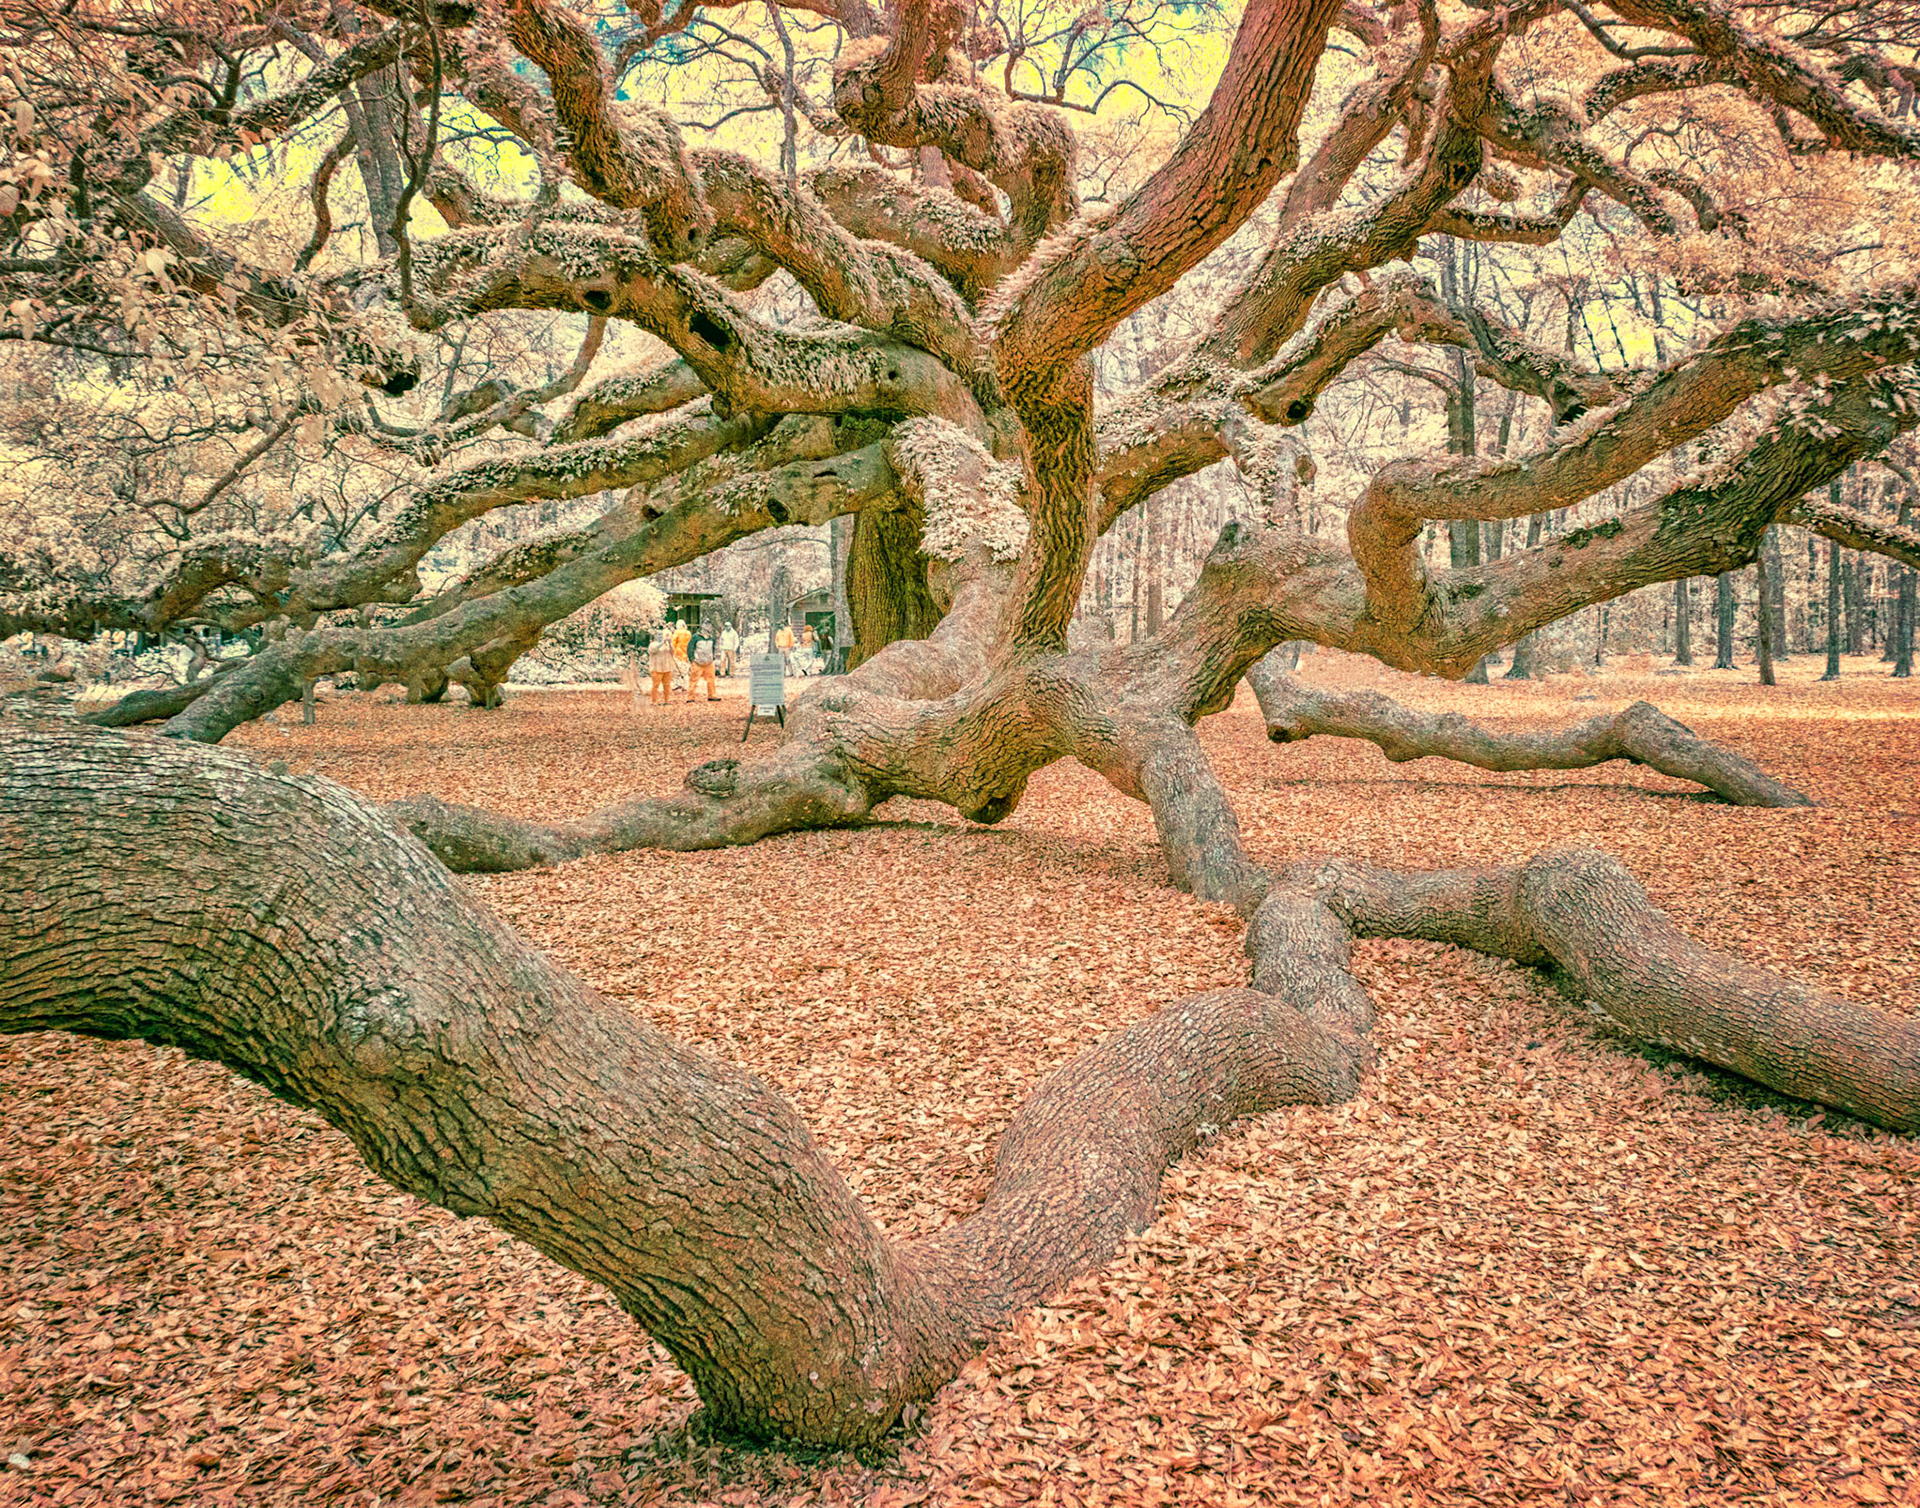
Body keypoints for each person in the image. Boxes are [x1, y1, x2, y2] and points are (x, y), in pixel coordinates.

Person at [646, 626, 675, 705]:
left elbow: (672, 652)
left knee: (667, 685)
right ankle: (654, 701)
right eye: (658, 635)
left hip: (667, 667)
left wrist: (669, 643)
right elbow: (654, 650)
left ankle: (666, 700)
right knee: (655, 685)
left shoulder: (667, 644)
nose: (659, 636)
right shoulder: (652, 644)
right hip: (656, 668)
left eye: (660, 635)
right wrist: (662, 642)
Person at [689, 625, 718, 701]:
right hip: (697, 662)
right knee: (693, 680)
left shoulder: (711, 637)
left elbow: (713, 648)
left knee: (711, 680)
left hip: (709, 663)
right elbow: (690, 648)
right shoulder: (695, 637)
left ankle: (712, 695)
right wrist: (692, 659)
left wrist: (713, 657)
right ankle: (691, 697)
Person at [670, 618, 692, 702]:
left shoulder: (677, 632)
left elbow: (673, 643)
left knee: (676, 671)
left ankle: (677, 684)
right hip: (686, 654)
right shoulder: (688, 633)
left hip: (678, 654)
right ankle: (685, 686)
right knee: (685, 671)